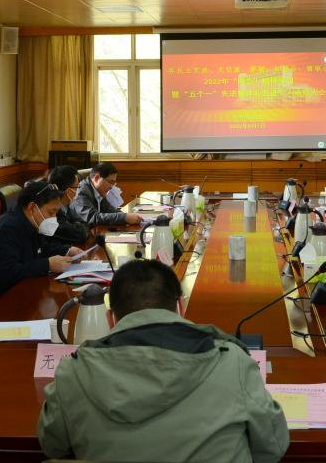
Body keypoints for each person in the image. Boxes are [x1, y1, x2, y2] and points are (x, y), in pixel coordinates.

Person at [37, 259, 288, 463]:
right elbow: (273, 447)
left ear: (110, 319)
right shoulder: (232, 362)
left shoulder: (73, 372)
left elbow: (53, 445)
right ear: (180, 306)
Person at [0, 181, 78, 301]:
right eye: (51, 212)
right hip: (0, 300)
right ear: (32, 207)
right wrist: (47, 264)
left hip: (23, 291)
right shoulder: (6, 229)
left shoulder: (30, 222)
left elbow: (42, 248)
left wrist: (68, 250)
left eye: (56, 213)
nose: (54, 218)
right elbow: (7, 272)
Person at [70, 162, 142, 228]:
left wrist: (127, 217)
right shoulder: (81, 191)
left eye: (113, 183)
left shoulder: (98, 190)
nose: (111, 187)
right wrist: (124, 218)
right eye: (110, 182)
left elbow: (109, 210)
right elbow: (92, 217)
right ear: (97, 178)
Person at [45, 165, 91, 248]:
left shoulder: (64, 205)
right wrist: (77, 226)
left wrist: (76, 226)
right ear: (69, 191)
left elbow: (83, 221)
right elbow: (81, 234)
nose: (79, 191)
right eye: (78, 187)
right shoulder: (49, 212)